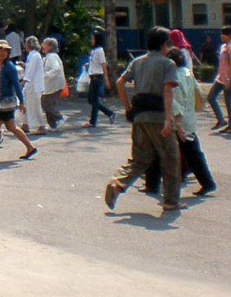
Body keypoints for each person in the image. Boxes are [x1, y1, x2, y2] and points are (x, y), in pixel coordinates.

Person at [103, 26, 183, 212]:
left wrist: (128, 108)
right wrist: (169, 120)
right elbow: (167, 91)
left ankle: (117, 184)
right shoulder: (167, 64)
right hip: (159, 116)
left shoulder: (137, 62)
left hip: (139, 115)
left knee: (139, 159)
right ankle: (171, 201)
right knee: (170, 159)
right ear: (164, 44)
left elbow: (120, 82)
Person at [144, 48, 217, 197]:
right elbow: (198, 93)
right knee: (193, 153)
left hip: (177, 121)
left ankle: (152, 184)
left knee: (157, 150)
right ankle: (207, 182)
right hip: (188, 119)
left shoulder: (173, 76)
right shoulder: (188, 73)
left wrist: (177, 123)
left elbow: (174, 102)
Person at [207, 25, 231, 134]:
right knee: (211, 97)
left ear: (229, 35)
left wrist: (229, 79)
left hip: (228, 78)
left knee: (228, 102)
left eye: (223, 34)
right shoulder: (223, 47)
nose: (221, 36)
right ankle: (221, 120)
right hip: (220, 77)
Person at [83, 32, 116, 128]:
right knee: (91, 100)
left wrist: (106, 78)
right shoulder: (94, 50)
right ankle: (109, 113)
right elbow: (94, 62)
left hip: (97, 77)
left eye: (93, 38)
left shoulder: (100, 50)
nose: (91, 40)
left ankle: (94, 120)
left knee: (94, 100)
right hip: (92, 76)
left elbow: (103, 64)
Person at [20, 36, 47, 135]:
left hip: (33, 85)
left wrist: (24, 81)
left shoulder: (34, 55)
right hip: (32, 85)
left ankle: (41, 126)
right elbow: (31, 68)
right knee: (26, 104)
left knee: (34, 106)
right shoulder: (34, 55)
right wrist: (25, 66)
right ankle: (25, 124)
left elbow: (31, 71)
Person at [40, 37, 67, 130]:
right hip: (50, 85)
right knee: (48, 103)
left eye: (44, 44)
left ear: (50, 46)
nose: (42, 45)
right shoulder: (48, 57)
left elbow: (56, 68)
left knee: (45, 103)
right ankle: (53, 124)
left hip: (54, 84)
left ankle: (60, 117)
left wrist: (46, 75)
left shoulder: (52, 56)